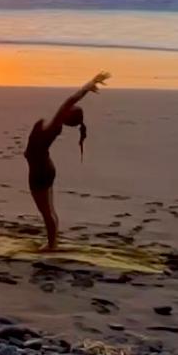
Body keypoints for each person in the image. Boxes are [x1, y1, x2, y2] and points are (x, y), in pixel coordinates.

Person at [25, 71, 110, 251]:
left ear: (67, 116)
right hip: (46, 167)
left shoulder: (54, 125)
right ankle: (53, 241)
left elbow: (71, 100)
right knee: (50, 210)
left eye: (69, 110)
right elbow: (71, 101)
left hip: (39, 172)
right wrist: (90, 84)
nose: (65, 108)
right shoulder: (54, 125)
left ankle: (51, 245)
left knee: (46, 212)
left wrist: (88, 85)